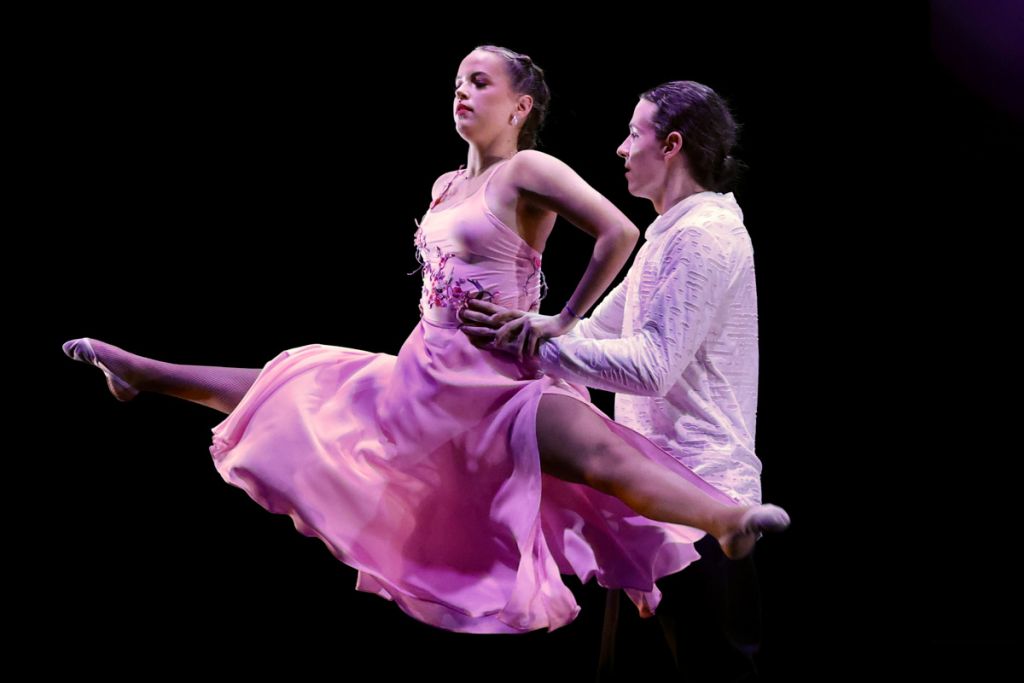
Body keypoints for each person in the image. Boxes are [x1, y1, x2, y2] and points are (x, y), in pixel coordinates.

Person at [62, 47, 788, 636]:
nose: (462, 92)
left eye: (480, 82)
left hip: (497, 375)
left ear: (521, 106)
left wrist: (555, 326)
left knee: (593, 456)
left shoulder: (532, 171)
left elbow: (614, 240)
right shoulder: (448, 185)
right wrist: (561, 333)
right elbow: (609, 313)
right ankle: (145, 373)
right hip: (431, 369)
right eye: (457, 83)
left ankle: (725, 519)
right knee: (297, 380)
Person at [459, 80, 771, 677]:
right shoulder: (668, 236)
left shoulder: (705, 235)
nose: (622, 149)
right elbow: (594, 336)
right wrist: (520, 331)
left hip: (704, 501)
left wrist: (537, 344)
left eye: (634, 134)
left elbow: (650, 367)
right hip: (653, 506)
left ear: (672, 146)